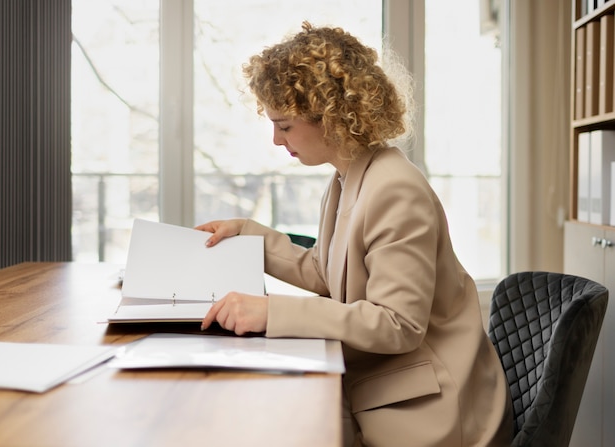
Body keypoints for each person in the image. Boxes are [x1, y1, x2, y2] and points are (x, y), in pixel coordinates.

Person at [196, 21, 512, 447]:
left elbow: (398, 324)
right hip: (387, 389)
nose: (275, 139)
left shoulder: (393, 188)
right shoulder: (350, 177)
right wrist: (249, 237)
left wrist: (272, 311)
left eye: (285, 125)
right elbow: (330, 273)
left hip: (431, 409)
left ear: (329, 115)